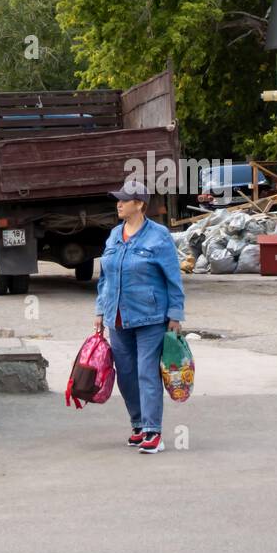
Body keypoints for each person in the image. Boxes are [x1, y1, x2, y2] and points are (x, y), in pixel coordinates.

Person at [94, 182, 185, 454]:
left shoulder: (159, 236)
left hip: (150, 318)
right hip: (117, 317)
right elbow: (105, 278)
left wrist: (175, 314)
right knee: (126, 375)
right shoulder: (113, 235)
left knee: (147, 373)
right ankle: (138, 425)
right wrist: (100, 310)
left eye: (124, 200)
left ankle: (153, 431)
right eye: (117, 199)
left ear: (139, 204)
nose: (118, 204)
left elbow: (174, 279)